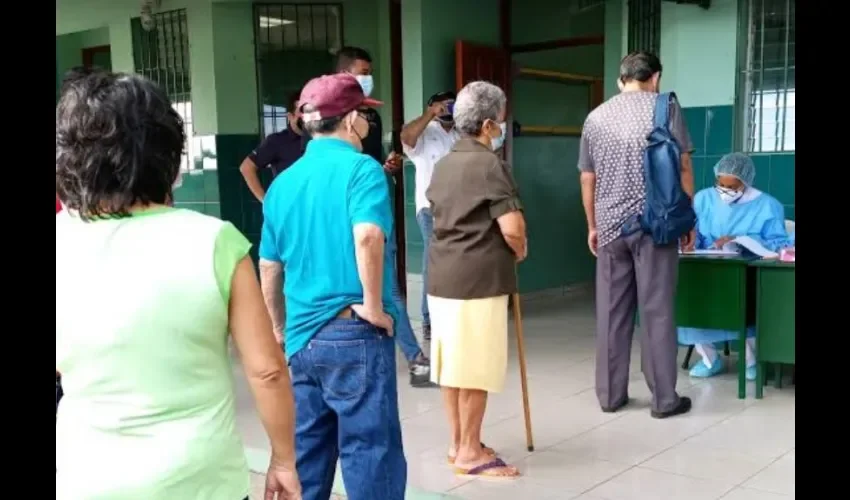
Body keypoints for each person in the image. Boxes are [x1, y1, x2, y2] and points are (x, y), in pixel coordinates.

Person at [55, 71, 301, 499]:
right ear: (166, 151)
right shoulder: (215, 241)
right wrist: (283, 459)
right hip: (202, 479)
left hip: (89, 477)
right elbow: (267, 371)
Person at [258, 73, 407, 500]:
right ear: (351, 119)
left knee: (309, 451)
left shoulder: (282, 182)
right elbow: (367, 236)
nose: (366, 125)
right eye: (365, 116)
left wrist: (279, 328)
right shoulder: (363, 170)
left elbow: (269, 266)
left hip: (302, 339)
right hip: (353, 333)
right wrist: (376, 306)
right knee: (370, 451)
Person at [579, 51, 693, 419]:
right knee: (657, 311)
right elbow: (684, 165)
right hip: (656, 226)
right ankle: (663, 399)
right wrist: (687, 220)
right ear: (655, 78)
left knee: (611, 314)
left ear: (620, 80)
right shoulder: (666, 108)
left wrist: (593, 225)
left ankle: (610, 395)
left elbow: (587, 177)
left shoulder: (595, 117)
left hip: (611, 227)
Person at [426, 81, 526, 479]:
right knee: (476, 369)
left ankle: (459, 442)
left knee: (453, 368)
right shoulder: (490, 166)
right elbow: (512, 228)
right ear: (487, 125)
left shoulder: (445, 162)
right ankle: (470, 452)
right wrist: (519, 248)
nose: (502, 128)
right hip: (477, 281)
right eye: (500, 122)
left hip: (442, 278)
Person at [334, 46, 431, 385]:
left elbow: (369, 163)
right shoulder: (327, 121)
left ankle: (413, 358)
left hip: (371, 208)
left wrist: (384, 168)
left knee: (384, 288)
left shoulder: (370, 118)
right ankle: (414, 360)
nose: (368, 78)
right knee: (375, 289)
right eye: (363, 71)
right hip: (353, 220)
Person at [678, 152, 792, 380]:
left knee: (746, 306)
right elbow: (695, 233)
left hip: (746, 270)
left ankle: (751, 361)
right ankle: (710, 359)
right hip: (706, 268)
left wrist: (740, 239)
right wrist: (689, 242)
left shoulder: (768, 206)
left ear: (746, 181)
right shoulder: (703, 199)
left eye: (732, 186)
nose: (725, 190)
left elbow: (779, 243)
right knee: (690, 301)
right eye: (720, 184)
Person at [401, 91, 460, 342]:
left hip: (459, 208)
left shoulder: (461, 134)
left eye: (452, 105)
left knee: (457, 262)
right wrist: (430, 113)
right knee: (433, 263)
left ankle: (452, 315)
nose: (448, 109)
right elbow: (406, 137)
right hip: (431, 208)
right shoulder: (425, 132)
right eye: (443, 105)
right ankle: (429, 320)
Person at [239, 91, 307, 202]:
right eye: (301, 111)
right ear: (290, 116)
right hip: (288, 207)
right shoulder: (277, 141)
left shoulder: (320, 140)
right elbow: (246, 167)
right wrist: (265, 201)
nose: (305, 117)